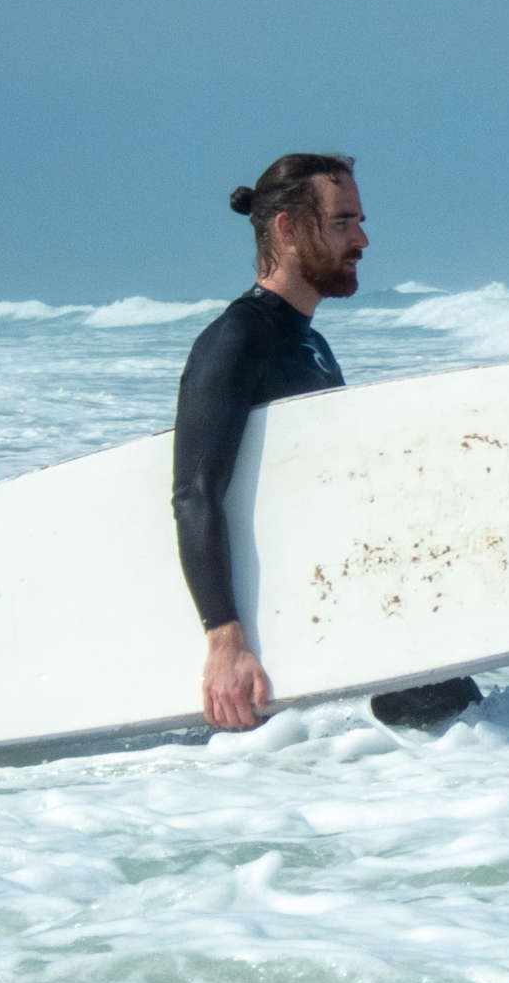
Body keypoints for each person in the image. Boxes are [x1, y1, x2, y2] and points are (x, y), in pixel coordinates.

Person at [170, 152, 481, 732]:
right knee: (471, 731)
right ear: (286, 228)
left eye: (359, 220)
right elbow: (195, 493)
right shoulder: (234, 342)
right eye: (342, 222)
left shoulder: (311, 346)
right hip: (280, 645)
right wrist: (224, 642)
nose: (362, 239)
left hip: (342, 620)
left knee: (472, 723)